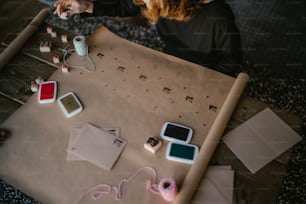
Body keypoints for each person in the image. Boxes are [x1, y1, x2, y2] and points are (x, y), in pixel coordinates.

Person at [53, 0, 243, 76]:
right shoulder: (157, 1)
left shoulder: (219, 19)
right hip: (171, 56)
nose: (142, 2)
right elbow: (125, 6)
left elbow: (230, 67)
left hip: (205, 71)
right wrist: (86, 6)